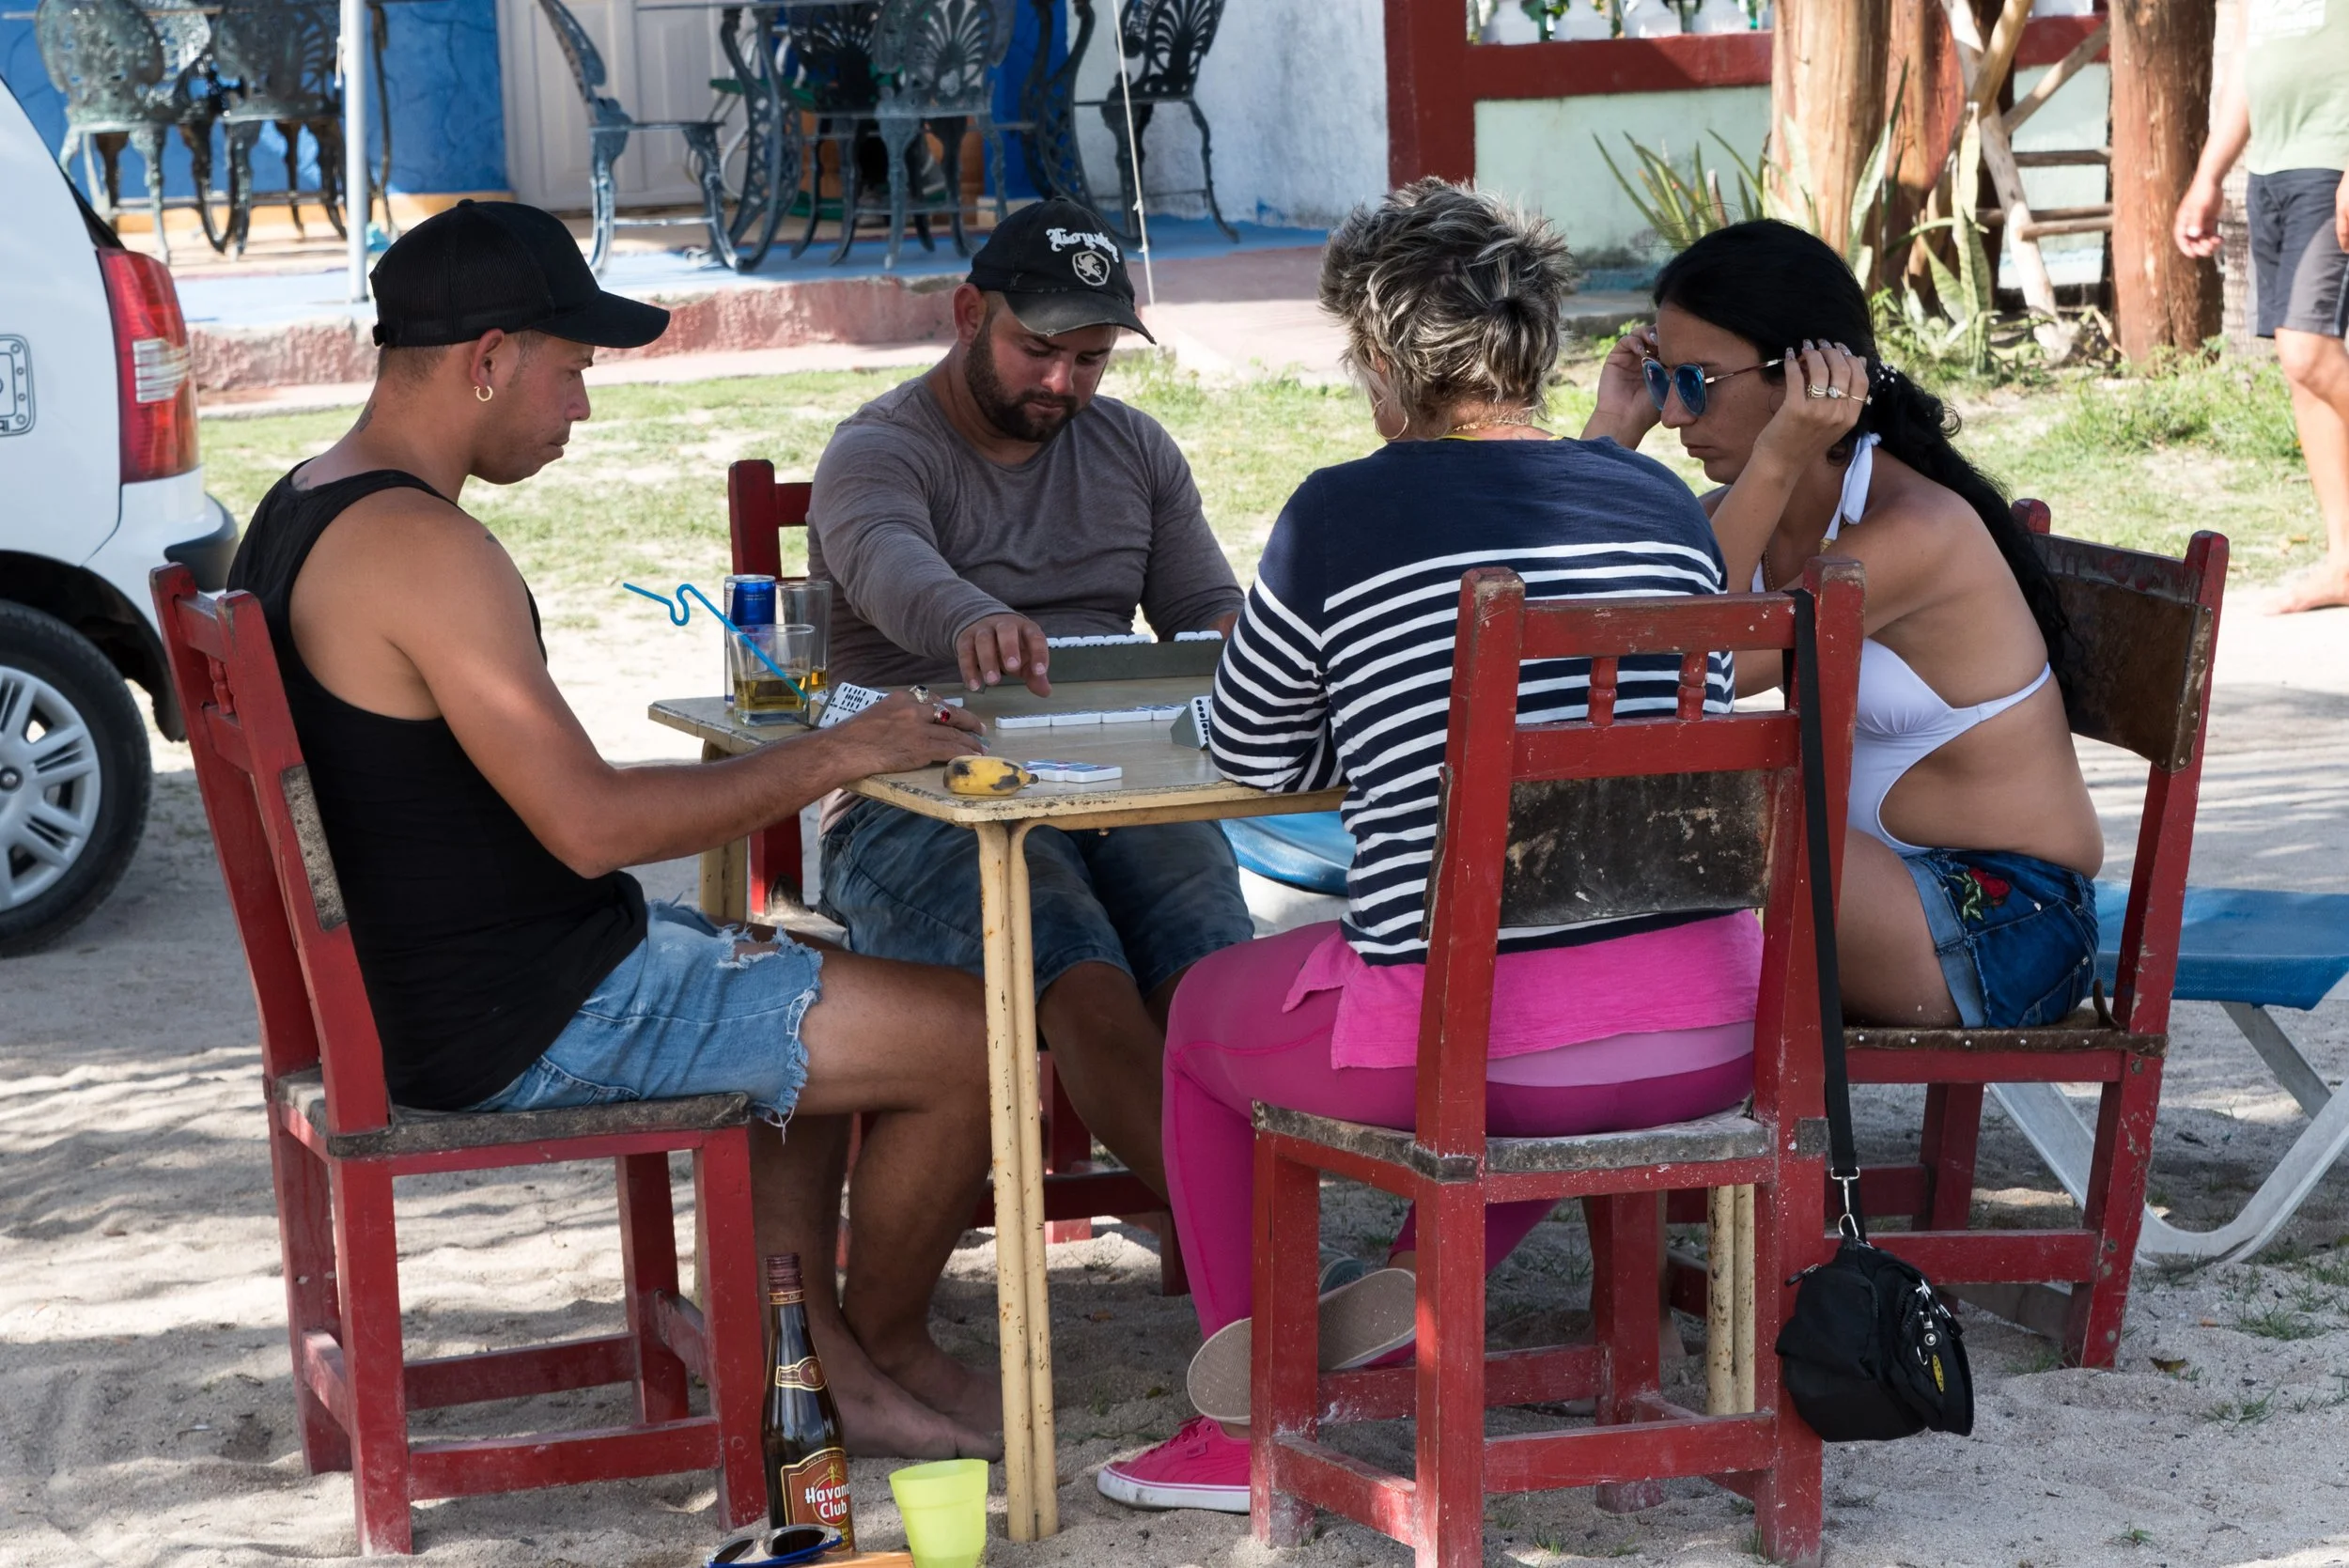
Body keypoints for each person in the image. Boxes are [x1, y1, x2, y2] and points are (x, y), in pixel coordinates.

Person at [225, 199, 1003, 1461]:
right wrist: (839, 754)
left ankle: (812, 1351)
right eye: (572, 369)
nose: (580, 407)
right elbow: (591, 828)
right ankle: (867, 1356)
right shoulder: (424, 548)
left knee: (796, 962)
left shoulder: (304, 501)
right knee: (978, 1037)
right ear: (488, 359)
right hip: (521, 1012)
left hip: (433, 987)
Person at [1096, 179, 1766, 1514]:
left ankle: (1254, 1419)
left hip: (1492, 1061)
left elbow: (1255, 751)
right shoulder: (1666, 511)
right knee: (1529, 1003)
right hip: (1713, 1036)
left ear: (1391, 359)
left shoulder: (1341, 515)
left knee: (1204, 1031)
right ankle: (1418, 1284)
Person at [807, 199, 1253, 1198]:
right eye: (1038, 349)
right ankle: (1263, 1260)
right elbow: (887, 562)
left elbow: (1206, 609)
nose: (1063, 381)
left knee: (1210, 974)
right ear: (968, 313)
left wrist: (1236, 638)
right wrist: (972, 618)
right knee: (1081, 978)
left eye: (1090, 358)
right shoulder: (876, 448)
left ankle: (1248, 1246)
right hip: (915, 800)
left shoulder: (1135, 449)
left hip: (1120, 782)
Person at [1581, 218, 2100, 1032]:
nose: (1675, 417)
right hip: (1881, 895)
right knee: (1634, 800)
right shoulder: (1749, 515)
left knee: (1697, 809)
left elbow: (1697, 660)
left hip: (2007, 926)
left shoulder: (1914, 532)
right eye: (1661, 379)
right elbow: (1589, 635)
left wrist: (1781, 454)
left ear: (1807, 378)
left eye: (1697, 381)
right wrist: (1608, 442)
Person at [2178, 0, 2349, 613]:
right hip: (2272, 170)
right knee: (2299, 363)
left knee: (2310, 351)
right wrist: (2208, 175)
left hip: (2333, 162)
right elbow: (2250, 71)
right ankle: (2344, 560)